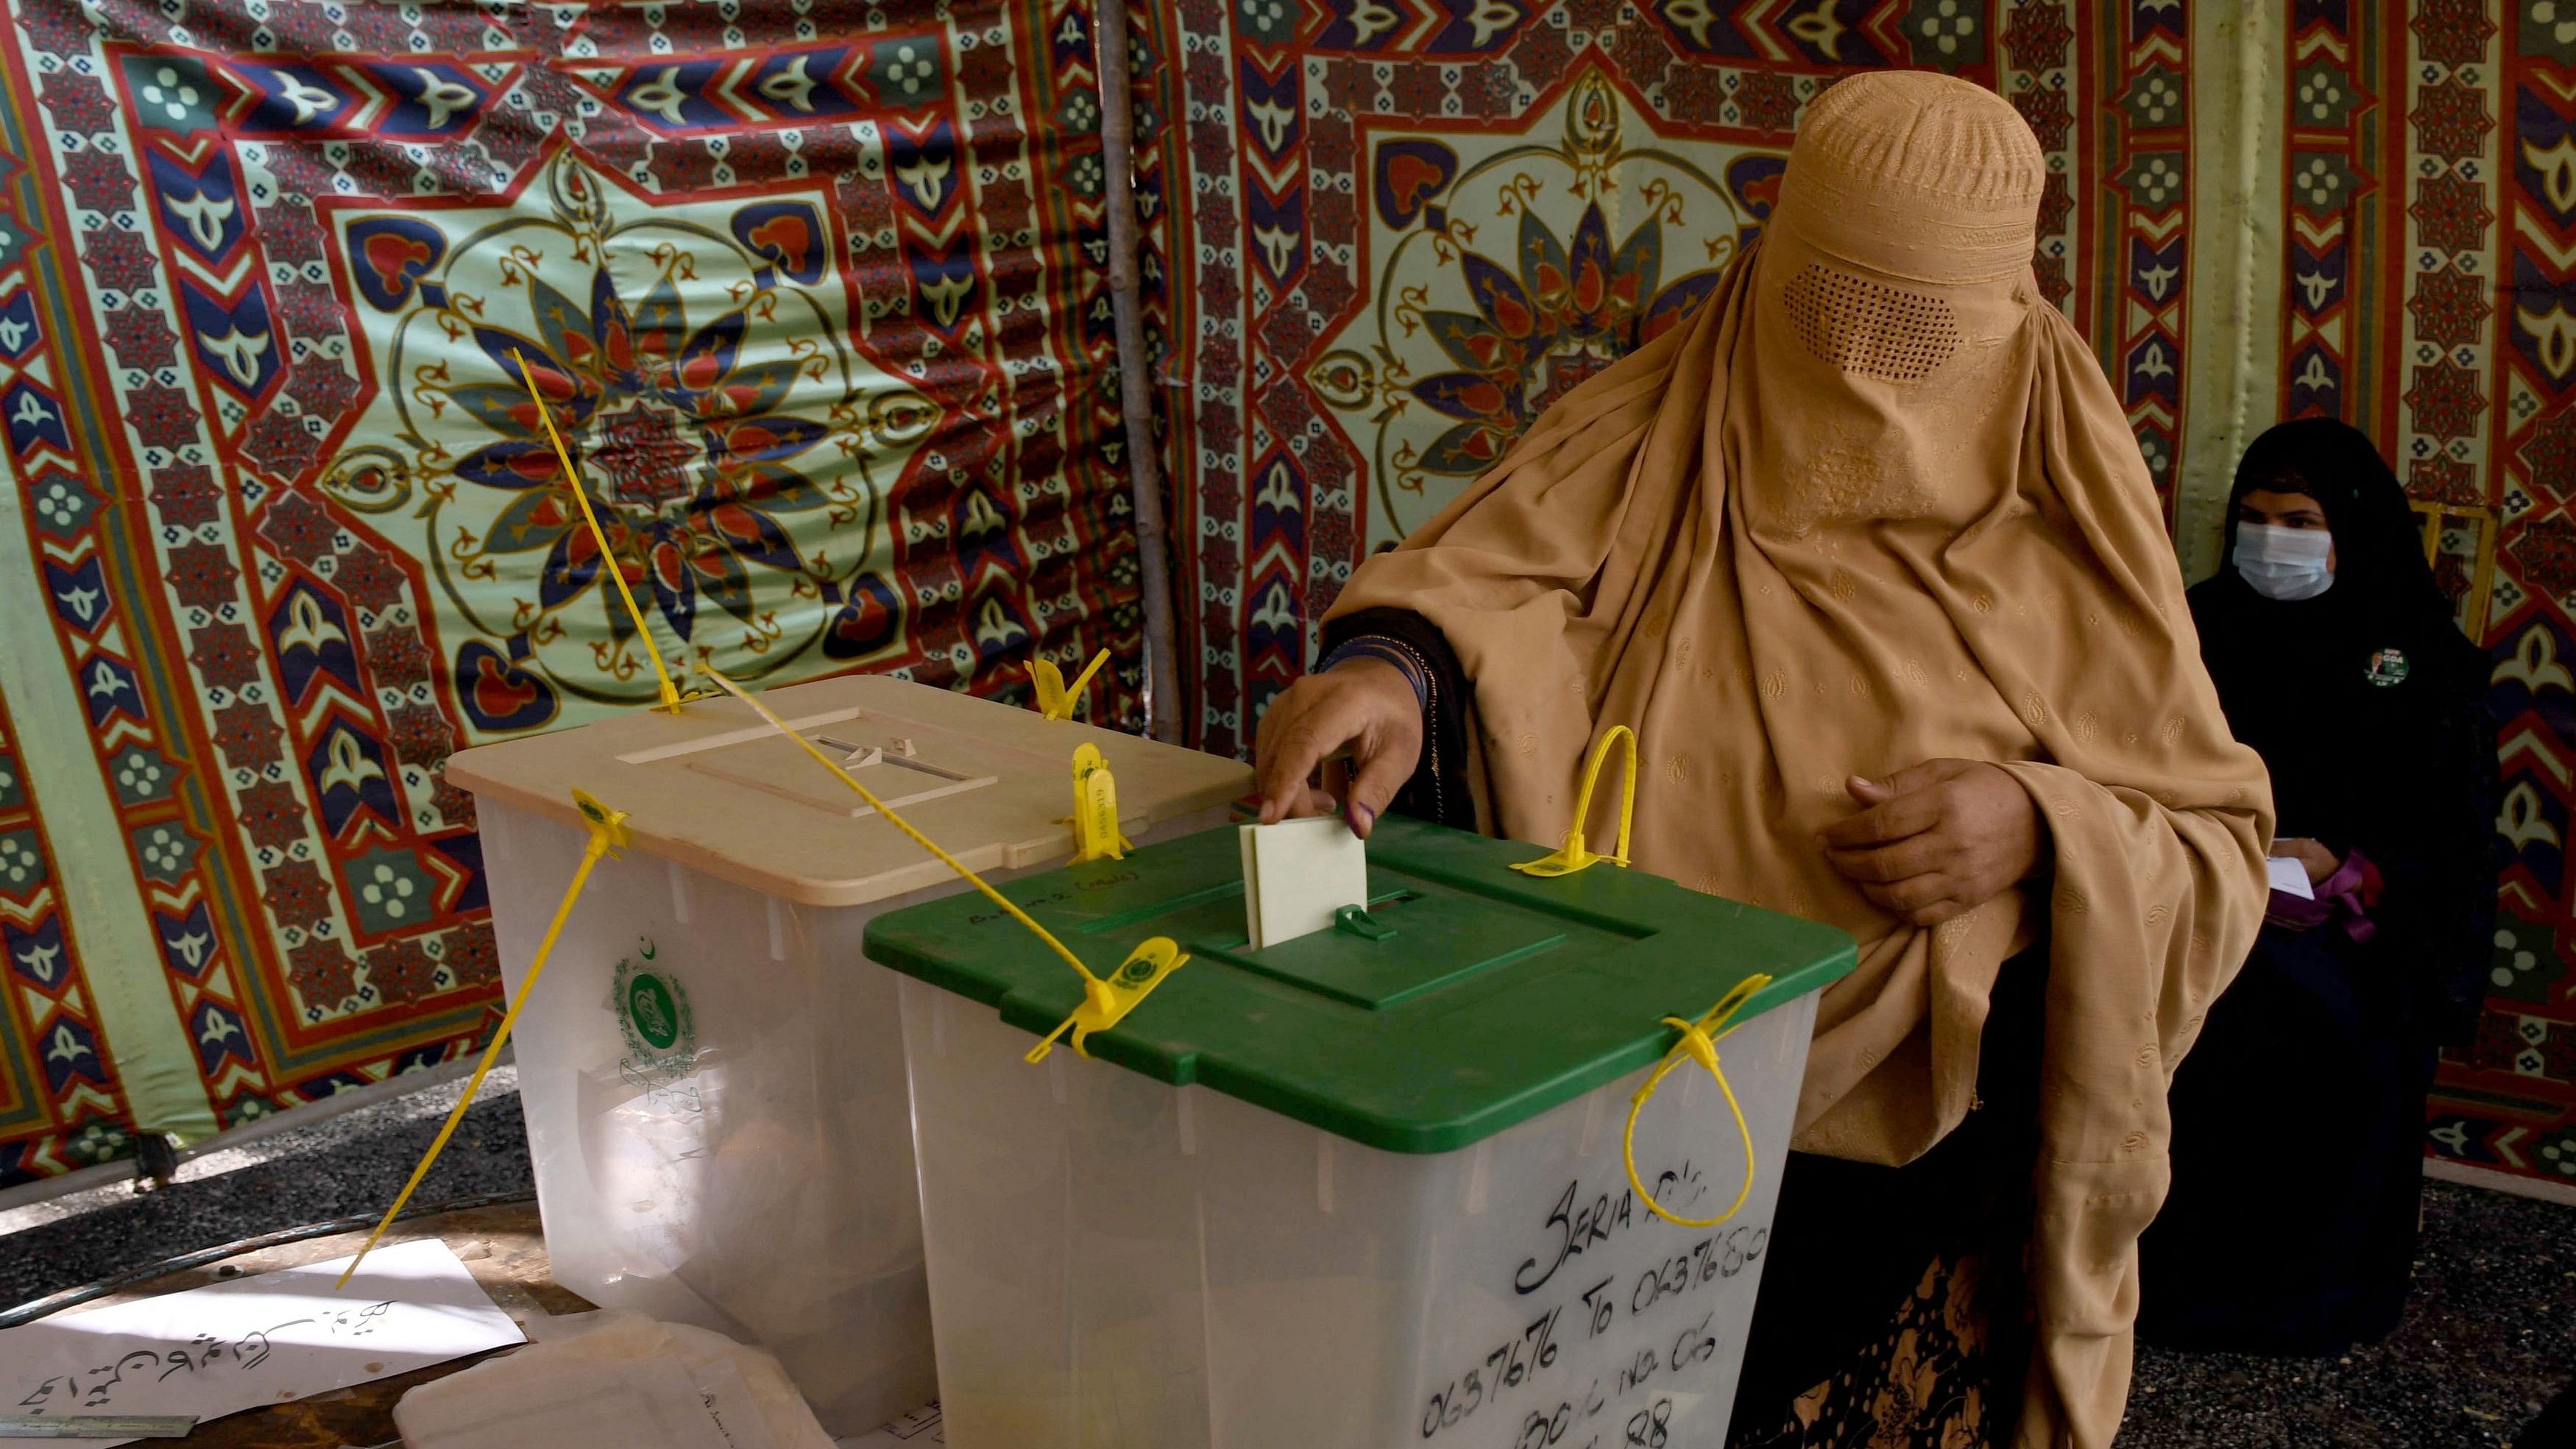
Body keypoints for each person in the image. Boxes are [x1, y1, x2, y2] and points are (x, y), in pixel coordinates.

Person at [1251, 71, 2272, 1448]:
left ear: (1999, 318)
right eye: (1827, 308)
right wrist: (1389, 675)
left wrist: (2040, 821)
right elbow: (1488, 587)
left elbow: (2213, 841)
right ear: (1772, 259)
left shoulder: (2067, 510)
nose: (1856, 373)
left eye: (1911, 335)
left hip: (1915, 1164)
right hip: (1604, 1088)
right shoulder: (1666, 418)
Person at [2137, 419, 2496, 1353]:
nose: (2271, 541)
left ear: (2350, 527)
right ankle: (2165, 1283)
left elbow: (2453, 843)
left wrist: (2351, 871)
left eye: (2298, 519)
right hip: (2202, 905)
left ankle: (2303, 1297)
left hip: (2349, 928)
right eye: (2253, 519)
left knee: (2313, 1021)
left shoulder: (2421, 664)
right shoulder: (2195, 630)